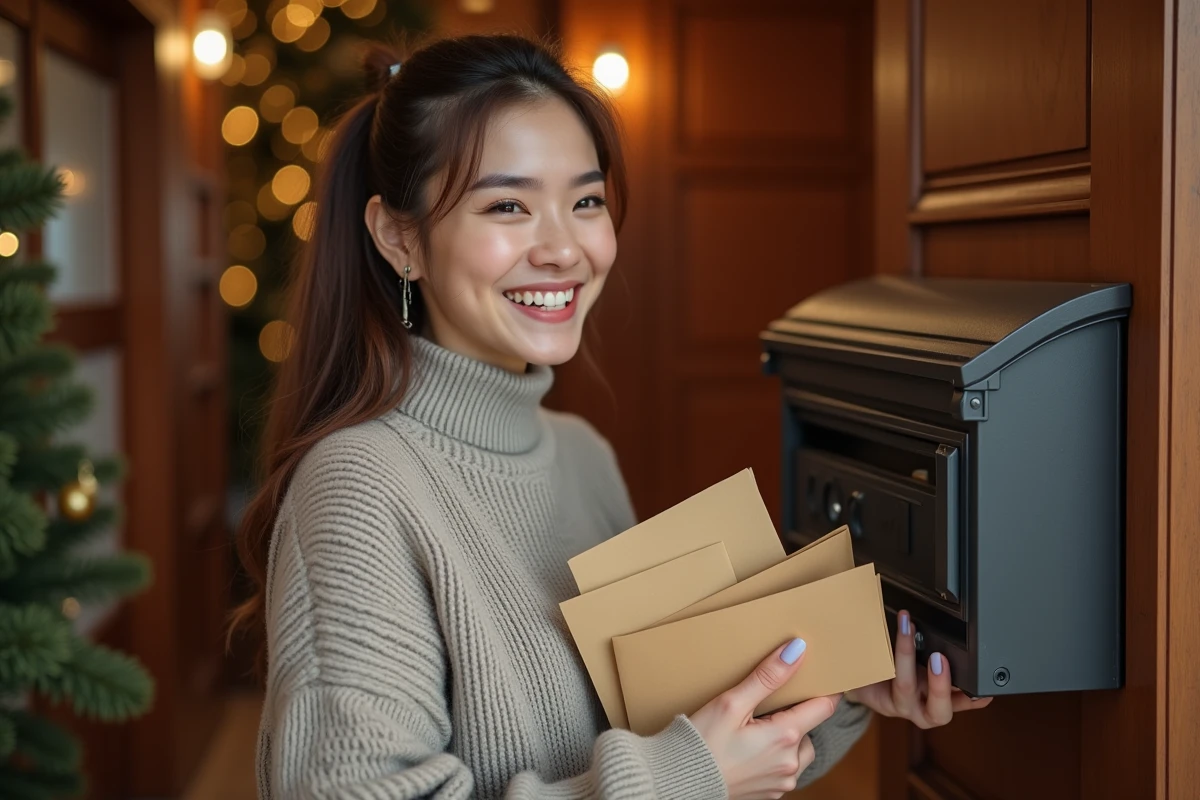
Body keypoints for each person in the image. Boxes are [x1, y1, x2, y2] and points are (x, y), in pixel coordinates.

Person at [231, 33, 991, 800]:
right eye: (507, 205)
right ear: (401, 239)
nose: (564, 248)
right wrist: (686, 777)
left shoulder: (579, 452)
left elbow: (662, 741)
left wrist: (842, 694)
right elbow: (673, 776)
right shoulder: (357, 487)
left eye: (586, 200)